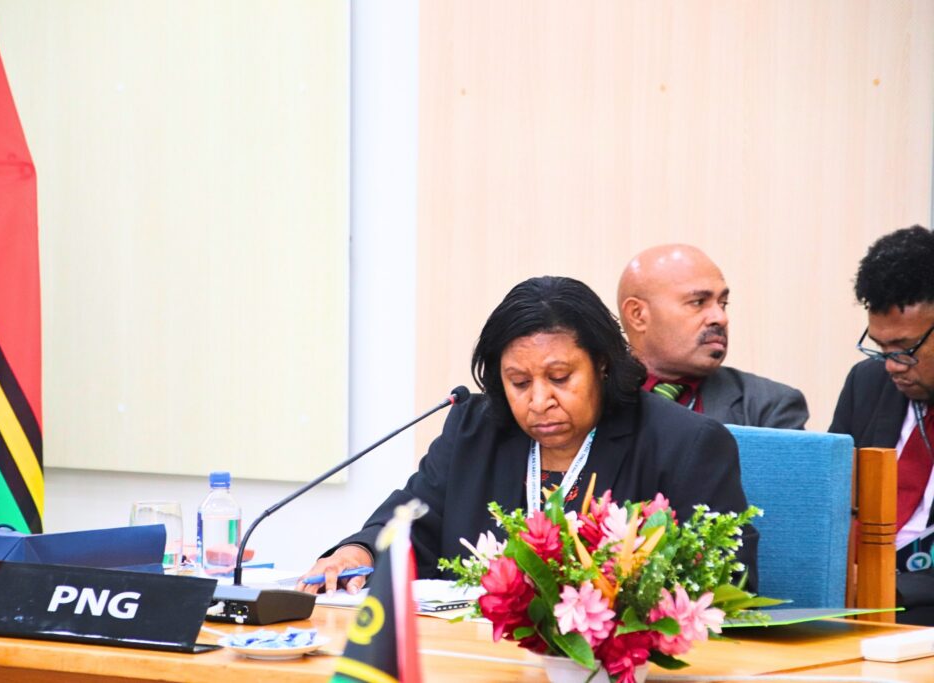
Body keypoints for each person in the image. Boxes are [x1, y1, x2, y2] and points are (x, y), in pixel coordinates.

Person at [297, 275, 757, 595]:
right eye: (519, 382)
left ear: (601, 364)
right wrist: (358, 551)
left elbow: (728, 585)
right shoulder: (475, 428)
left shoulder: (684, 443)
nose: (539, 401)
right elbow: (413, 521)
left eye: (559, 377)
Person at [829, 225, 934, 625]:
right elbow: (834, 504)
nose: (891, 366)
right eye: (880, 348)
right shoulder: (866, 383)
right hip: (852, 603)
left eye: (905, 349)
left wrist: (883, 588)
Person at [617, 244, 808, 428]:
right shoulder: (601, 397)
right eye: (698, 302)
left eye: (723, 303)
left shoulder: (769, 407)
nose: (721, 318)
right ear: (637, 315)